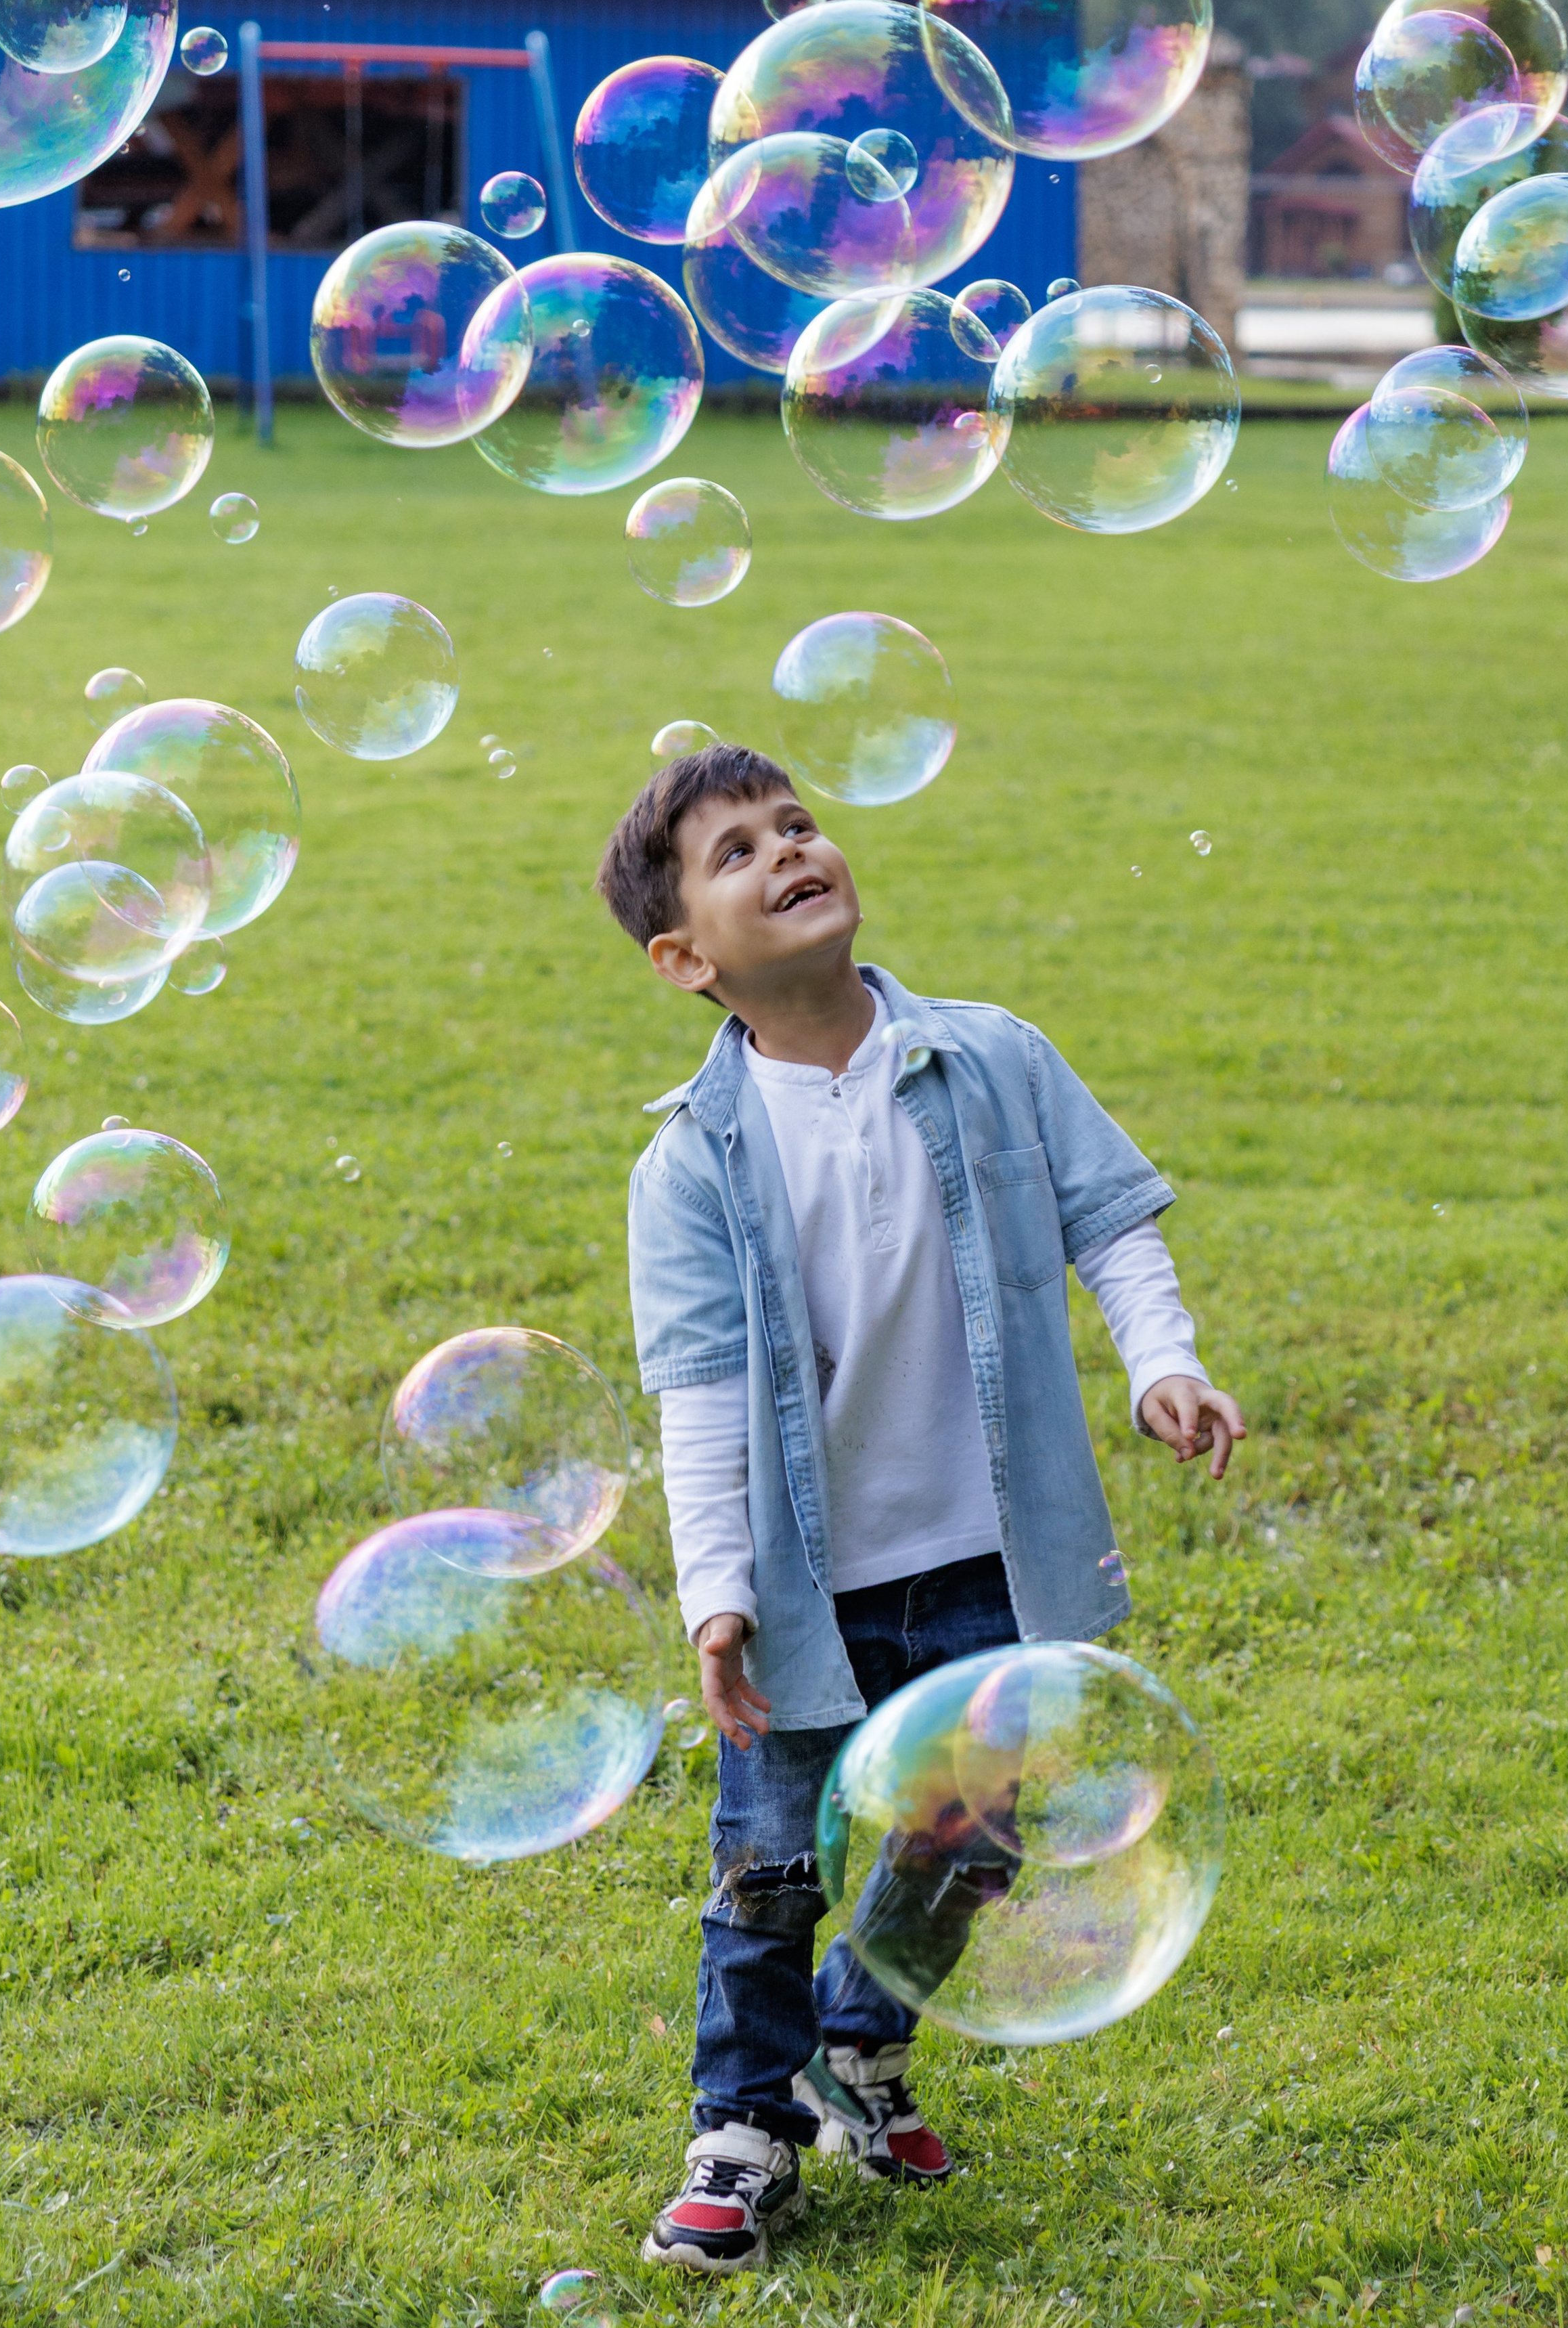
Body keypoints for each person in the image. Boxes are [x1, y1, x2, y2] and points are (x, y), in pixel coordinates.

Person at [596, 743, 1245, 2278]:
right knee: (767, 1870)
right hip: (806, 1589)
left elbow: (1110, 1216)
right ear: (683, 957)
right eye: (736, 853)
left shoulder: (991, 1057)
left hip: (984, 1553)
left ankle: (856, 2057)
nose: (785, 854)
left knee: (963, 1841)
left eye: (795, 827)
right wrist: (714, 1594)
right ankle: (739, 2131)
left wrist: (1162, 1362)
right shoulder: (689, 1162)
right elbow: (697, 1393)